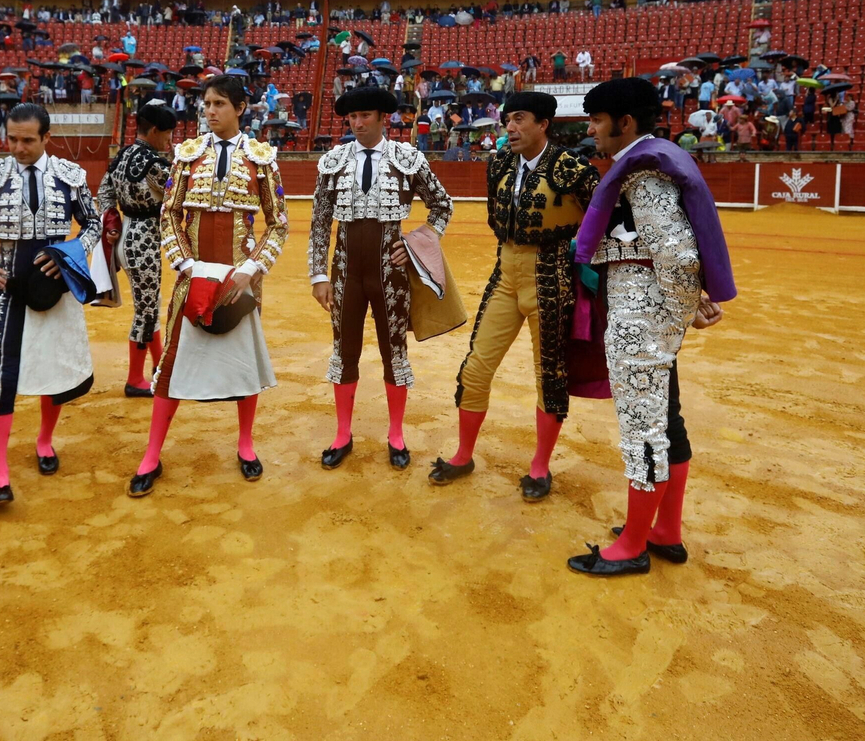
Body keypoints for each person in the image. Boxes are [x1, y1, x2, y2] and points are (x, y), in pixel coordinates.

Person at [568, 77, 736, 576]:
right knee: (666, 419)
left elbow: (678, 255)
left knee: (643, 427)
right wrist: (684, 307)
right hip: (646, 310)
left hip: (640, 318)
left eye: (598, 121)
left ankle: (632, 546)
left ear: (625, 122)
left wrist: (674, 315)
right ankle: (665, 530)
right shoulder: (645, 164)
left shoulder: (643, 173)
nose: (591, 131)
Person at [127, 75, 290, 498]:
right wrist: (186, 264)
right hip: (194, 278)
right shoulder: (187, 154)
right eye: (206, 104)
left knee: (244, 365)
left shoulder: (261, 158)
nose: (210, 111)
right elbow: (169, 214)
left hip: (238, 282)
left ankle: (245, 444)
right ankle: (151, 455)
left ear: (240, 108)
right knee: (172, 364)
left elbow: (278, 223)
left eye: (219, 104)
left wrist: (251, 268)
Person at [434, 91, 599, 501]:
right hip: (506, 272)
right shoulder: (500, 163)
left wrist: (579, 255)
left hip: (552, 277)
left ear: (543, 124)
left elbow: (604, 219)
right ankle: (463, 456)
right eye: (508, 119)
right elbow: (498, 218)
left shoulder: (573, 169)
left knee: (550, 375)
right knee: (476, 367)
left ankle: (540, 467)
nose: (510, 127)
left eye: (519, 118)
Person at [0, 103, 103, 506]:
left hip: (56, 286)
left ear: (46, 137)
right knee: (2, 376)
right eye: (12, 139)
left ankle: (45, 441)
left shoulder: (69, 175)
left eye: (28, 140)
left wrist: (71, 253)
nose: (18, 148)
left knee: (54, 368)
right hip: (8, 288)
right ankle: (0, 473)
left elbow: (95, 222)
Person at [308, 87, 454, 471]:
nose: (357, 124)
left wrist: (417, 245)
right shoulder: (333, 161)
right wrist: (318, 274)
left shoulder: (407, 159)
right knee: (344, 350)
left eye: (365, 116)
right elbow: (320, 222)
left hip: (391, 273)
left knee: (395, 352)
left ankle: (396, 434)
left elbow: (442, 205)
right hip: (345, 272)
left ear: (382, 118)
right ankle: (342, 434)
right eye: (352, 117)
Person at [96, 102, 177, 398]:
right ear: (154, 130)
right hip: (143, 241)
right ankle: (134, 379)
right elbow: (179, 191)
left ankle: (158, 367)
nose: (169, 140)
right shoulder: (154, 163)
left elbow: (103, 193)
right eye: (167, 134)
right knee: (146, 310)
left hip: (125, 238)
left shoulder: (122, 156)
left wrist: (112, 220)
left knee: (149, 305)